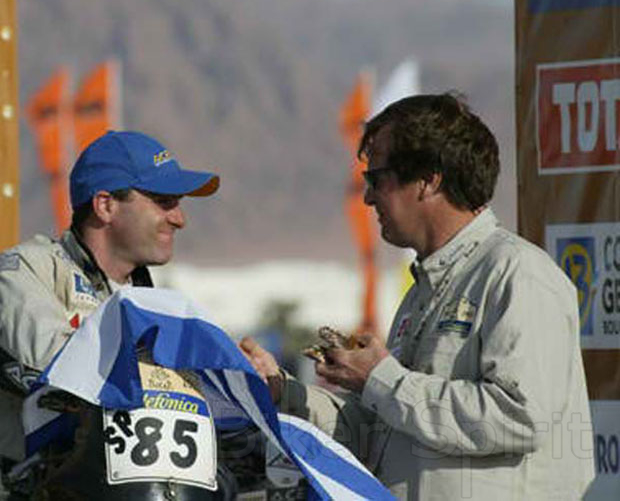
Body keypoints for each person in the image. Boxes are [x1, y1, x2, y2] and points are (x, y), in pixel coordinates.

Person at [240, 93, 595, 499]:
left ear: (429, 180)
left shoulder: (517, 274)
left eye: (376, 179)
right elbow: (385, 429)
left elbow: (519, 417)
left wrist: (382, 380)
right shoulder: (422, 292)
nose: (368, 197)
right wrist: (281, 391)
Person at [0, 130, 225, 498]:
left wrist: (249, 382)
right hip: (5, 486)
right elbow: (59, 370)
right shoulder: (16, 274)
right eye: (164, 202)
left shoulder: (145, 301)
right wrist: (181, 370)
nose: (179, 219)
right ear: (105, 205)